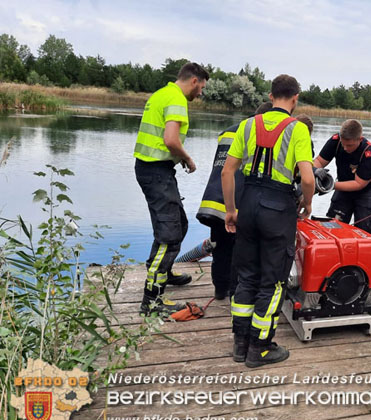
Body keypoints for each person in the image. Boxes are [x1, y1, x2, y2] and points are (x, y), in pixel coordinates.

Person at [222, 74, 315, 368]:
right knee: (273, 281)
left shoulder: (248, 124)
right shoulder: (297, 129)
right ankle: (259, 347)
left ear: (271, 95)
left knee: (246, 275)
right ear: (295, 98)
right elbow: (309, 178)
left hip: (248, 204)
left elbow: (227, 172)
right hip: (278, 209)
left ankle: (240, 344)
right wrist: (307, 203)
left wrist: (230, 210)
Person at [134, 62, 209, 316]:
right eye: (201, 88)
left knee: (179, 223)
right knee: (169, 235)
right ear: (194, 81)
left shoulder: (161, 93)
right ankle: (152, 300)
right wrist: (187, 158)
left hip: (152, 169)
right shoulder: (177, 100)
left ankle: (163, 272)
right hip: (156, 171)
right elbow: (170, 140)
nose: (200, 94)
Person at [196, 102, 273, 300]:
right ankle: (234, 292)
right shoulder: (256, 134)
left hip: (213, 199)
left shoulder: (227, 131)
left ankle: (220, 289)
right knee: (238, 251)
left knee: (220, 247)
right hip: (235, 203)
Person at [313, 119, 371, 236]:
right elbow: (319, 161)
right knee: (333, 225)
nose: (345, 148)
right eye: (343, 144)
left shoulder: (370, 153)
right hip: (343, 185)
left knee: (365, 230)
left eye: (349, 145)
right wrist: (315, 170)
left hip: (367, 190)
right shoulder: (335, 141)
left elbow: (358, 184)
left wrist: (330, 185)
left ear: (359, 139)